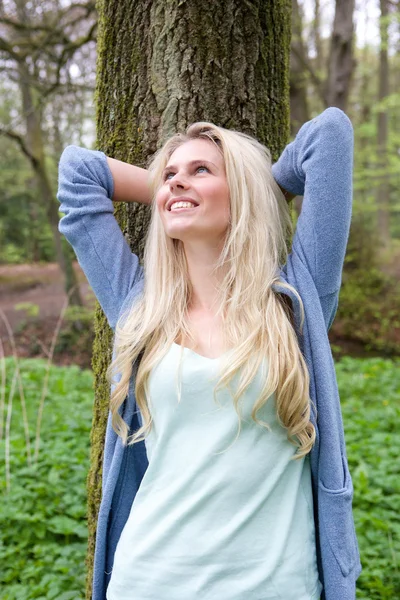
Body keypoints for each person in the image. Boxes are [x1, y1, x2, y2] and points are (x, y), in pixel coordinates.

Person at [57, 107, 361, 600]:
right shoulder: (140, 308)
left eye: (200, 170)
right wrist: (175, 191)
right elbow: (78, 173)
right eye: (169, 175)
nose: (176, 182)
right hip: (149, 579)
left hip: (275, 586)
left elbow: (329, 136)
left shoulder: (295, 302)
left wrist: (253, 189)